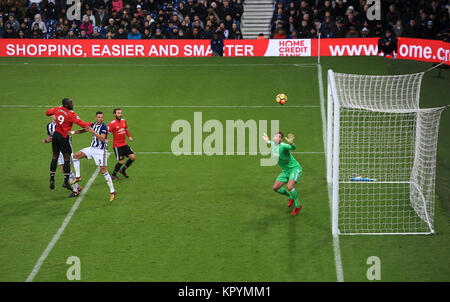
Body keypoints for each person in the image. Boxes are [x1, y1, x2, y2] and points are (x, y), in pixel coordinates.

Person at [45, 98, 91, 190]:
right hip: (63, 137)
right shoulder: (71, 114)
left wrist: (55, 111)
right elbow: (82, 124)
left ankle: (52, 178)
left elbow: (47, 112)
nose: (73, 104)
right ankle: (66, 181)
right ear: (66, 105)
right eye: (71, 103)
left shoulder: (58, 109)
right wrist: (91, 124)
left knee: (54, 157)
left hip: (56, 136)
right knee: (67, 159)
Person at [71, 112, 117, 202]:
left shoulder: (104, 127)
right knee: (75, 156)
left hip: (100, 151)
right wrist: (71, 132)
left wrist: (92, 131)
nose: (100, 118)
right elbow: (83, 130)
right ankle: (78, 176)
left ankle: (112, 191)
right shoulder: (92, 124)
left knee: (103, 171)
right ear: (96, 118)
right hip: (92, 148)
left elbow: (102, 139)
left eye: (102, 117)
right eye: (98, 117)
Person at [262, 132, 303, 216]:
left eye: (279, 137)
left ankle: (298, 205)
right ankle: (290, 196)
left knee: (290, 186)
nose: (277, 138)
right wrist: (268, 141)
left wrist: (292, 143)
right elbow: (270, 142)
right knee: (275, 188)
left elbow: (292, 147)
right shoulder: (273, 144)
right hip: (285, 171)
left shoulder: (283, 146)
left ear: (281, 139)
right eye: (276, 136)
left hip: (294, 168)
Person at [42, 116, 82, 198]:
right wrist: (46, 141)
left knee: (67, 169)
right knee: (64, 170)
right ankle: (77, 186)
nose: (55, 116)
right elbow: (51, 138)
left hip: (66, 148)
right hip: (58, 150)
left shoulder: (62, 124)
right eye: (54, 115)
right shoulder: (49, 126)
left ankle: (75, 190)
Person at [108, 108, 136, 180]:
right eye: (118, 113)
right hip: (117, 146)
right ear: (114, 114)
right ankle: (114, 174)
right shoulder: (112, 123)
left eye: (121, 113)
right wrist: (106, 139)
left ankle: (123, 170)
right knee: (121, 161)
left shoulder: (123, 121)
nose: (120, 114)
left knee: (132, 157)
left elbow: (126, 129)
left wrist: (129, 136)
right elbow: (106, 131)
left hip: (124, 144)